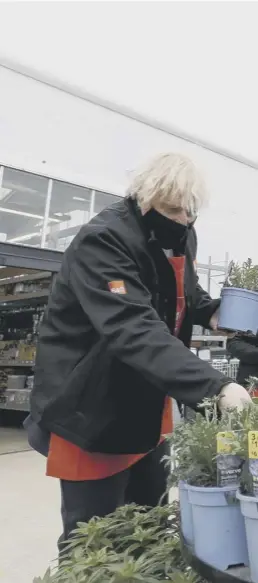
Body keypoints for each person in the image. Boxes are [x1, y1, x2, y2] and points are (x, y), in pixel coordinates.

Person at [28, 152, 251, 544]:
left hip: (146, 403)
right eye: (172, 209)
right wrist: (215, 387)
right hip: (90, 406)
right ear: (144, 197)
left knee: (149, 523)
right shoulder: (104, 240)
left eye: (190, 210)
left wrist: (215, 313)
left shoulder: (180, 233)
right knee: (94, 537)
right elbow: (132, 326)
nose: (183, 219)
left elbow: (186, 293)